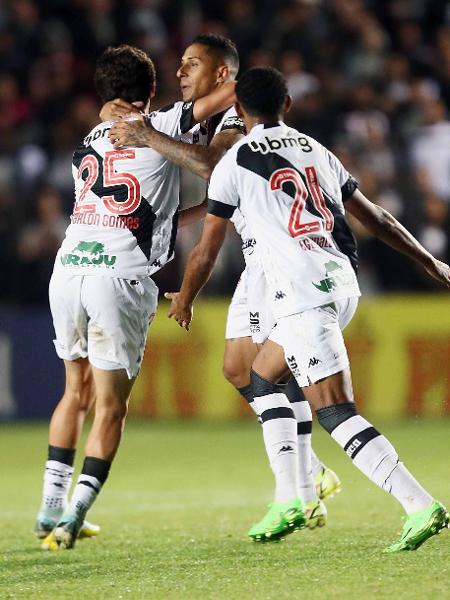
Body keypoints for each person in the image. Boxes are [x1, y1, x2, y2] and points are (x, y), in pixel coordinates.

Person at [166, 66, 450, 550]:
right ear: (288, 105)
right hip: (340, 283)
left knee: (334, 410)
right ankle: (297, 493)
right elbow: (377, 218)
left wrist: (186, 298)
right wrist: (428, 260)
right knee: (261, 377)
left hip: (301, 293)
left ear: (238, 111)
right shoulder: (317, 150)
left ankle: (418, 504)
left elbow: (207, 249)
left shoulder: (234, 162)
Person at [107, 34, 340, 527]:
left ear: (221, 75)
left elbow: (215, 167)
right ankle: (312, 472)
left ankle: (300, 487)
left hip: (277, 258)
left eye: (192, 64)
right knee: (241, 370)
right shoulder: (204, 116)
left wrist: (147, 136)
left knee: (259, 372)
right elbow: (219, 198)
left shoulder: (238, 118)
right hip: (262, 254)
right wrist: (170, 218)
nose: (179, 73)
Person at [34, 43, 236, 551]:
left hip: (69, 269)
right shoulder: (163, 121)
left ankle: (49, 508)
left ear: (104, 93)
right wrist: (223, 81)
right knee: (110, 407)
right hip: (117, 279)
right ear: (150, 91)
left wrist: (204, 210)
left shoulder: (93, 135)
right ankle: (73, 516)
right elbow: (232, 91)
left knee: (73, 392)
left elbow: (142, 210)